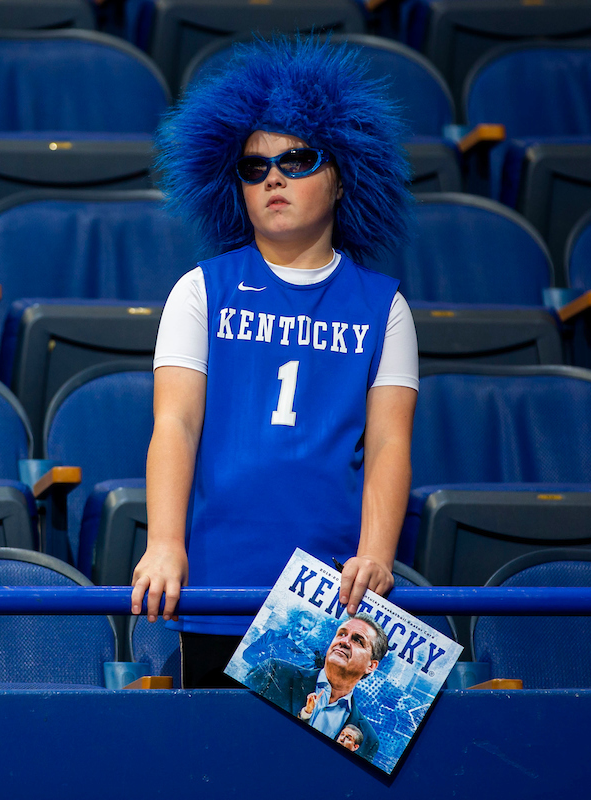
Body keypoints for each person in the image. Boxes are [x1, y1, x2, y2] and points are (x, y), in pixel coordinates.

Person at [129, 35, 419, 688]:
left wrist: (376, 554)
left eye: (297, 159)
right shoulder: (200, 290)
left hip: (333, 599)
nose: (274, 178)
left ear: (341, 176)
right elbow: (175, 424)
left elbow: (389, 443)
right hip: (217, 584)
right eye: (254, 166)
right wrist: (165, 542)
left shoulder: (385, 307)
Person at [244, 615, 389, 760]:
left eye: (357, 640)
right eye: (341, 634)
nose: (344, 641)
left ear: (371, 666)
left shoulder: (369, 740)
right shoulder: (274, 673)